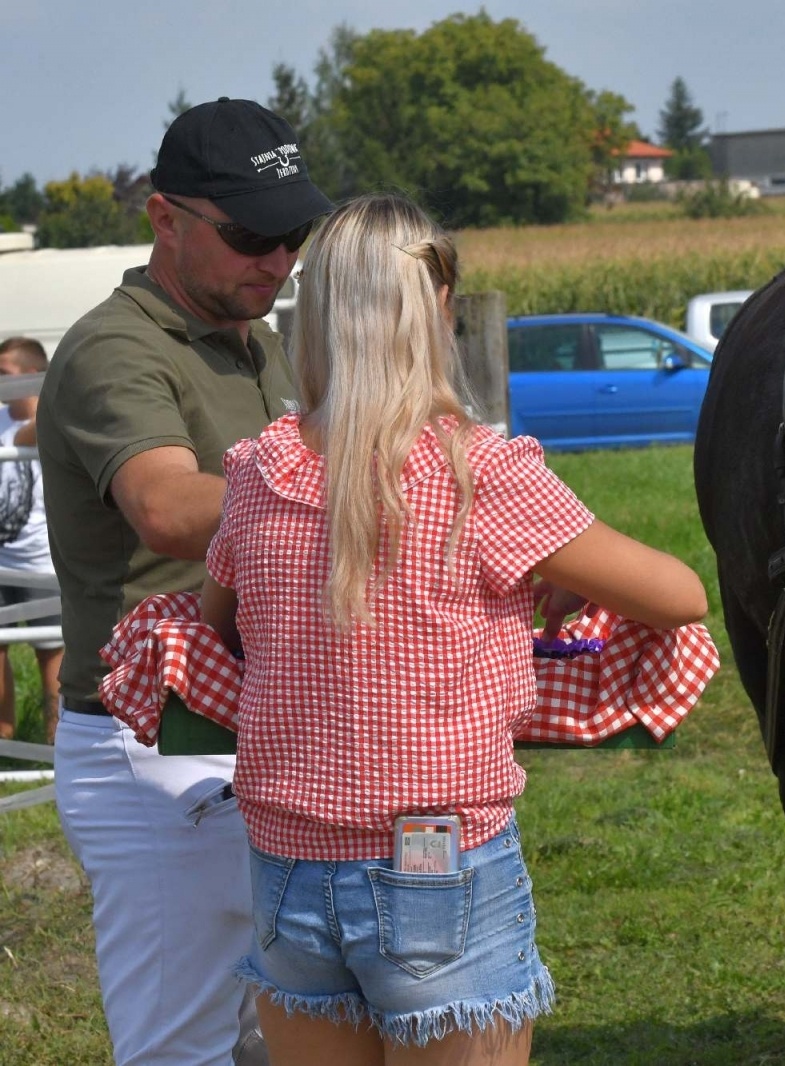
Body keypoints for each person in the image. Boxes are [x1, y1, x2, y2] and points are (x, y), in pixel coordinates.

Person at [198, 193, 708, 1065]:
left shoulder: (259, 471)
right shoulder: (484, 476)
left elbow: (224, 619)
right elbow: (681, 595)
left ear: (314, 313)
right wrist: (558, 578)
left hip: (284, 862)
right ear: (436, 309)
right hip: (438, 860)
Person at [38, 98, 331, 1065]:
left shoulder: (257, 336)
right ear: (165, 218)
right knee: (184, 1050)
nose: (278, 261)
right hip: (154, 746)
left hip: (244, 728)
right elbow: (163, 507)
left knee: (265, 1042)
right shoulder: (116, 347)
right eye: (253, 234)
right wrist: (354, 480)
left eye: (293, 234)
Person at [0, 337, 61, 741]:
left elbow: (35, 432)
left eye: (5, 374)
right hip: (2, 563)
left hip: (44, 565)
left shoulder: (54, 421)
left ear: (33, 375)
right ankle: (6, 746)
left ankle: (53, 753)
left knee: (53, 660)